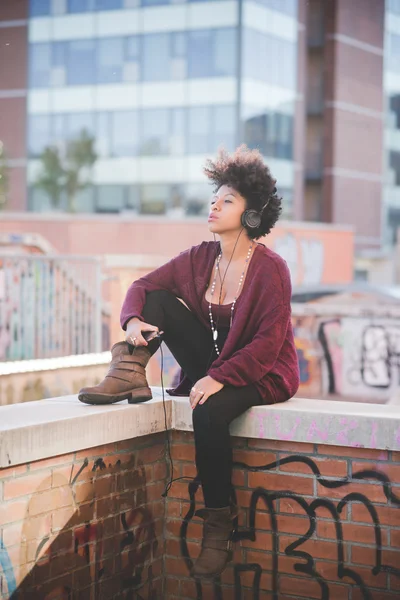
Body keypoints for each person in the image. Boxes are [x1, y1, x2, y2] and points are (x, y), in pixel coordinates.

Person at [78, 145, 300, 579]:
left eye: (228, 200)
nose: (214, 205)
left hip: (263, 372)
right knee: (158, 300)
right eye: (214, 197)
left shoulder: (271, 270)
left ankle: (219, 524)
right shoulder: (200, 258)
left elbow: (268, 344)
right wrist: (133, 320)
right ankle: (126, 373)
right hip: (215, 363)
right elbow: (143, 285)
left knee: (209, 412)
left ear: (252, 213)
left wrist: (220, 378)